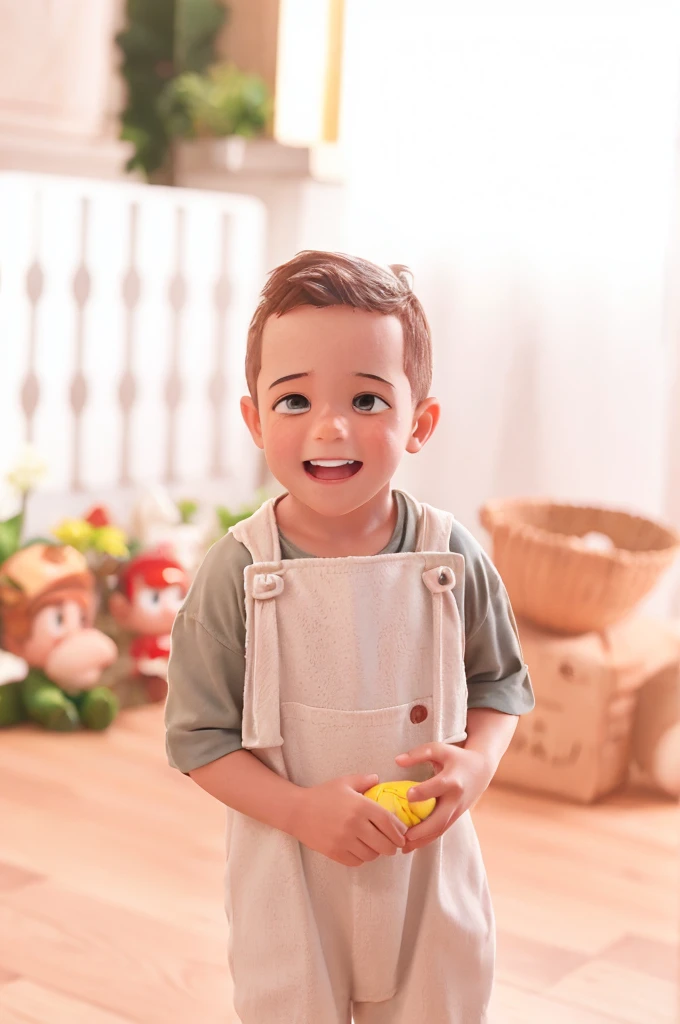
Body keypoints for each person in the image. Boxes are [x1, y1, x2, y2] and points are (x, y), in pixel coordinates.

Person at [165, 251, 535, 1023]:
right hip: (289, 868)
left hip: (428, 865)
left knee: (443, 1002)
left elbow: (501, 683)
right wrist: (300, 811)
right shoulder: (235, 572)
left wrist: (477, 765)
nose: (331, 427)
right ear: (254, 418)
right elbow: (198, 739)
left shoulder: (452, 556)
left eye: (368, 400)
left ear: (420, 423)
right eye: (294, 400)